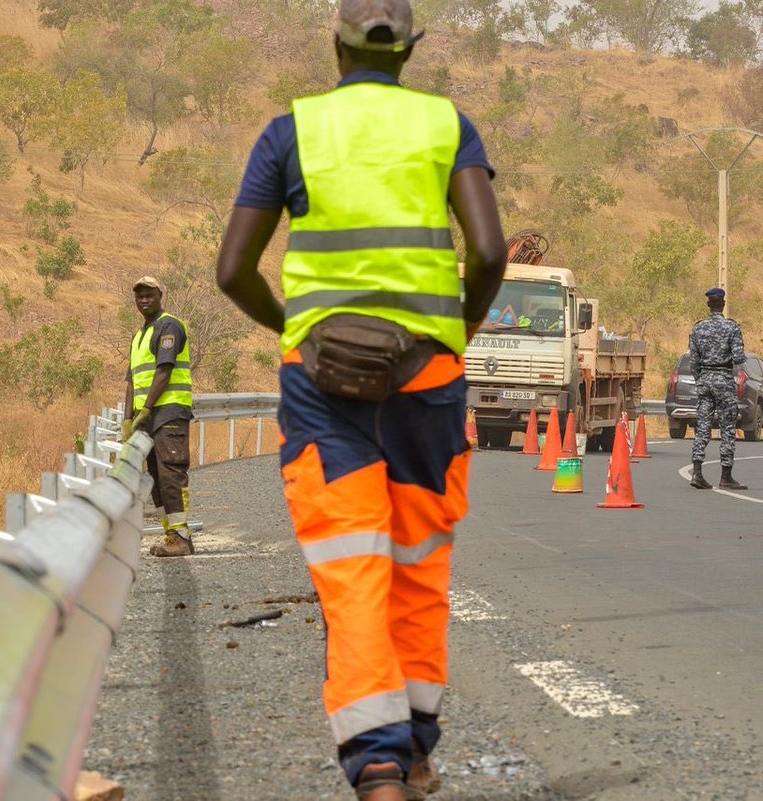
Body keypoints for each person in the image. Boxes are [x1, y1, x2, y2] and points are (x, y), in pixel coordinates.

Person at [215, 0, 507, 797]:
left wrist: (295, 327)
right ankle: (413, 754)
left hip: (322, 388)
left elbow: (233, 269)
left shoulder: (293, 132)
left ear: (335, 46)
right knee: (419, 568)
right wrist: (460, 328)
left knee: (353, 573)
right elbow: (487, 251)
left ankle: (375, 769)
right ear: (411, 49)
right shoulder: (449, 126)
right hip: (431, 382)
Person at [122, 275, 196, 557]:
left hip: (168, 412)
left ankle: (181, 536)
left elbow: (164, 372)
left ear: (160, 295)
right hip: (147, 418)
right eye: (139, 295)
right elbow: (132, 382)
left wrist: (148, 410)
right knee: (154, 476)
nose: (144, 299)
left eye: (149, 294)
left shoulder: (169, 326)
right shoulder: (139, 336)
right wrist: (127, 419)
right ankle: (172, 536)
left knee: (171, 473)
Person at [689, 287, 748, 490]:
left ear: (708, 305)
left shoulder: (698, 328)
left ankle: (697, 472)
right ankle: (726, 476)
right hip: (724, 380)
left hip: (705, 380)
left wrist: (701, 378)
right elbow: (739, 358)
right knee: (728, 428)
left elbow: (693, 361)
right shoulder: (731, 328)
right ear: (722, 304)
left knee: (702, 427)